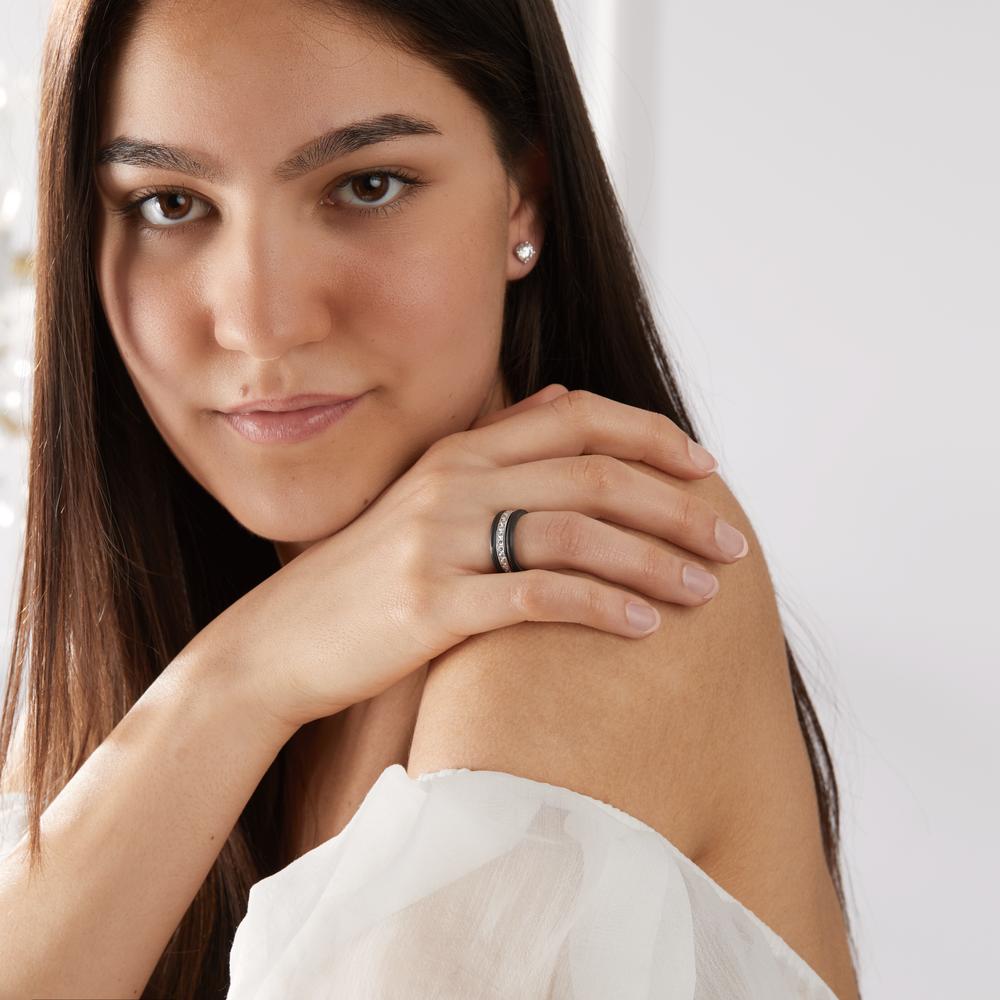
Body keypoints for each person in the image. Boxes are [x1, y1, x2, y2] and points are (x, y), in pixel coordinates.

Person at [0, 0, 861, 997]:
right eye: (168, 203)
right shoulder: (156, 635)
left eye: (367, 185)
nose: (260, 322)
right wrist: (240, 677)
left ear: (523, 202)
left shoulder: (591, 583)